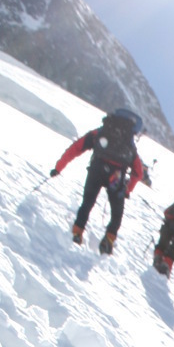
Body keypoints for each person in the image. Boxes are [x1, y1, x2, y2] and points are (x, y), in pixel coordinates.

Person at [51, 108, 149, 255]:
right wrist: (127, 190)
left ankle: (77, 232)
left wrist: (58, 168)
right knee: (117, 212)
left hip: (96, 170)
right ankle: (108, 239)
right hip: (115, 177)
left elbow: (76, 147)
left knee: (87, 203)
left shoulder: (101, 132)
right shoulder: (129, 144)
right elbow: (138, 172)